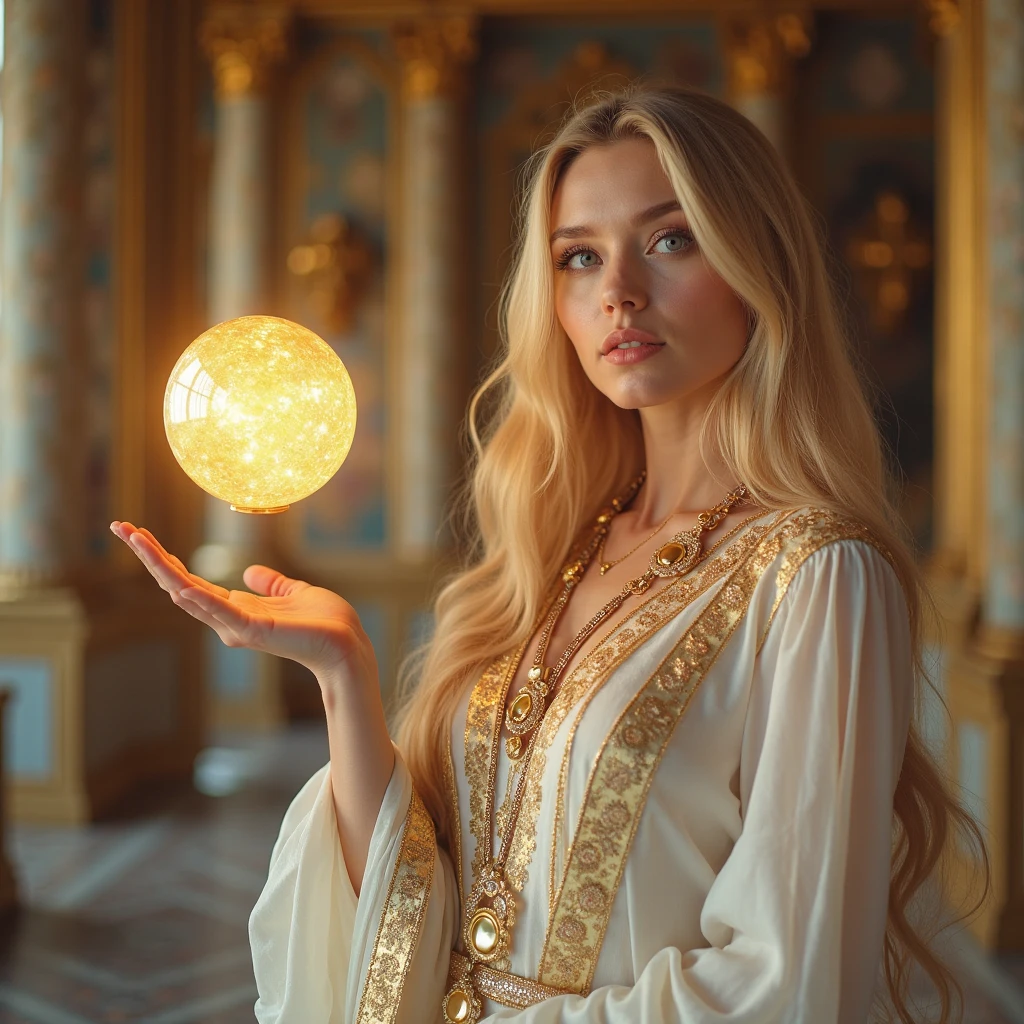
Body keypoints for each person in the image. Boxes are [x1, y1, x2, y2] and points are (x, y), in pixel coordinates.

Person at [112, 85, 986, 1023]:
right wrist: (342, 677)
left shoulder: (819, 575)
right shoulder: (559, 545)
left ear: (756, 264)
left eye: (670, 239)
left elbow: (787, 986)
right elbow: (418, 914)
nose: (618, 292)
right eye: (579, 256)